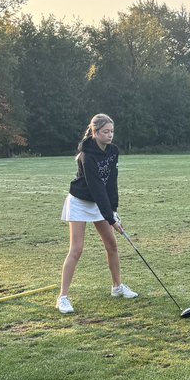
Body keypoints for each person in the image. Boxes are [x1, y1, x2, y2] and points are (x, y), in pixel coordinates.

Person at [57, 114, 138, 314]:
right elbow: (96, 188)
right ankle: (62, 298)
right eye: (105, 132)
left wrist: (114, 211)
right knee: (76, 249)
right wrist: (110, 218)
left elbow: (111, 183)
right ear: (95, 132)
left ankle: (117, 287)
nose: (110, 135)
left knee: (112, 245)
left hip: (99, 203)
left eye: (112, 131)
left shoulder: (113, 151)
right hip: (80, 202)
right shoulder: (87, 155)